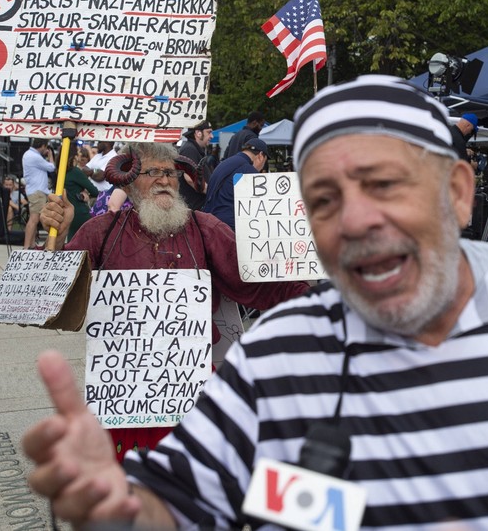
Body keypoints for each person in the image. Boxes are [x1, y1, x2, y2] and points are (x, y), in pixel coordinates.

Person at [23, 75, 488, 530]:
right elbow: (175, 502)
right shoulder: (277, 358)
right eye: (322, 200)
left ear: (459, 192)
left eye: (383, 184)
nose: (353, 221)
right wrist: (114, 506)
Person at [36, 140, 309, 462]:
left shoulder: (205, 229)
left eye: (171, 173)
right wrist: (56, 237)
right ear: (129, 179)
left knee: (197, 480)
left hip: (193, 384)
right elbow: (50, 296)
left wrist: (314, 291)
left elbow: (256, 281)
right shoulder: (102, 231)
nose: (164, 180)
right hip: (124, 387)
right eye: (153, 172)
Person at [202, 138, 269, 230]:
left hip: (211, 220)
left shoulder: (226, 163)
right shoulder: (247, 170)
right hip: (229, 226)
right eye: (264, 163)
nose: (261, 168)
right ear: (261, 156)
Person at [58, 147, 98, 242]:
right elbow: (94, 191)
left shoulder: (60, 171)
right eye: (79, 153)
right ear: (74, 156)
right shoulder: (75, 172)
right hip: (79, 212)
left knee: (71, 242)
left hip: (66, 211)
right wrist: (86, 194)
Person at [22, 140, 55, 250]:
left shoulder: (28, 154)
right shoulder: (35, 157)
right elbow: (51, 167)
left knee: (33, 219)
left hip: (34, 191)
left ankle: (31, 245)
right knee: (34, 219)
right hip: (38, 192)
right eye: (46, 148)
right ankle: (26, 247)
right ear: (43, 146)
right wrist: (50, 156)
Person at [177, 120, 213, 210]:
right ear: (198, 133)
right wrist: (212, 193)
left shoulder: (194, 149)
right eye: (209, 132)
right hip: (194, 208)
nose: (211, 136)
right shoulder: (189, 149)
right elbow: (190, 178)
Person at [81, 141, 118, 217]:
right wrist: (95, 171)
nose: (97, 144)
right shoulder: (98, 156)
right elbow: (84, 170)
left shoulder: (114, 157)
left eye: (100, 142)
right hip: (91, 196)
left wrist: (92, 171)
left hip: (103, 197)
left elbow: (100, 176)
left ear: (108, 143)